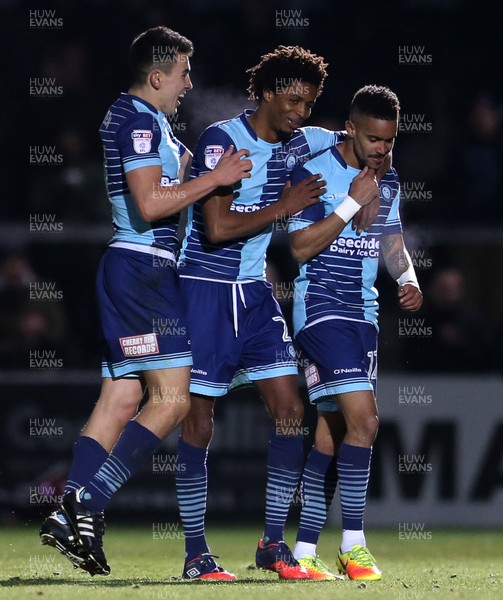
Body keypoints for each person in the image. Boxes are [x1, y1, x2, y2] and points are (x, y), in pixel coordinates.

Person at [38, 26, 252, 577]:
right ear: (156, 76)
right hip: (143, 271)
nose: (188, 83)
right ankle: (84, 502)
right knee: (174, 401)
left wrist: (195, 164)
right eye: (182, 73)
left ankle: (68, 518)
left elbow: (162, 180)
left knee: (120, 399)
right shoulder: (137, 119)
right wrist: (216, 179)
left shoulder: (137, 118)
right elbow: (153, 203)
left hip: (132, 271)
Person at [173, 45, 380, 582]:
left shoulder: (304, 141)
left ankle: (272, 543)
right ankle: (197, 553)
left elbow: (357, 140)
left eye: (308, 104)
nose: (300, 113)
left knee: (291, 409)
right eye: (292, 101)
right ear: (265, 93)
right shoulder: (222, 140)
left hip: (256, 294)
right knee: (198, 421)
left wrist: (375, 162)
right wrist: (284, 209)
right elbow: (216, 230)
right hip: (203, 289)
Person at [287, 85, 423, 581]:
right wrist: (349, 202)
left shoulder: (389, 180)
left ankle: (302, 551)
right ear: (350, 129)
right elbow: (299, 248)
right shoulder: (315, 172)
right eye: (372, 140)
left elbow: (392, 242)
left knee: (332, 434)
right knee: (366, 421)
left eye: (389, 142)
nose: (381, 151)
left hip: (364, 316)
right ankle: (354, 546)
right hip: (321, 310)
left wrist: (407, 278)